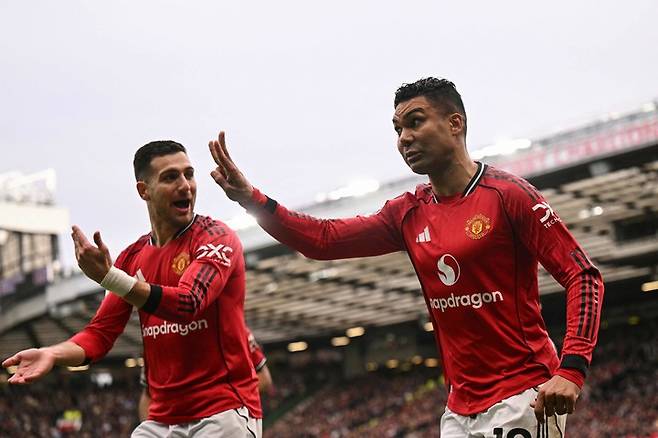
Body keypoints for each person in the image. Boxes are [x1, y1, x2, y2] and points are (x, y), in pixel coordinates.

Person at [207, 77, 604, 437]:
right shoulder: (407, 212)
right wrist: (251, 200)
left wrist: (571, 369)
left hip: (522, 394)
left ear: (455, 123)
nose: (404, 138)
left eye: (415, 122)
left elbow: (583, 275)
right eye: (397, 129)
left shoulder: (509, 196)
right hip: (459, 409)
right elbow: (323, 240)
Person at [2, 141, 262, 437]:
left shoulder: (215, 238)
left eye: (189, 174)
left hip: (223, 412)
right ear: (144, 190)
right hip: (162, 420)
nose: (185, 185)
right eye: (170, 177)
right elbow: (100, 334)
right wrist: (52, 353)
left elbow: (189, 302)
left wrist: (111, 278)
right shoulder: (132, 257)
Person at [137, 327, 273, 421]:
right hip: (171, 423)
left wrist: (217, 399)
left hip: (221, 419)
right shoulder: (156, 335)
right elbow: (147, 396)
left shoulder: (232, 327)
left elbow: (264, 378)